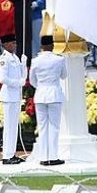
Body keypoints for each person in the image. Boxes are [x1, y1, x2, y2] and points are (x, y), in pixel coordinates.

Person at [30, 35, 67, 166]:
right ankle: (53, 156)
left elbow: (32, 80)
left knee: (43, 127)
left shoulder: (35, 61)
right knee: (54, 127)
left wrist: (41, 86)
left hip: (40, 94)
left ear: (41, 46)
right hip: (54, 94)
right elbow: (64, 76)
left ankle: (44, 157)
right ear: (52, 46)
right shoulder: (59, 60)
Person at [0, 34, 27, 164]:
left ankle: (12, 153)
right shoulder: (4, 59)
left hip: (15, 96)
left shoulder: (14, 57)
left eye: (15, 43)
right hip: (9, 96)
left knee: (14, 126)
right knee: (9, 126)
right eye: (12, 43)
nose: (14, 45)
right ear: (5, 45)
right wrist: (17, 83)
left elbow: (22, 77)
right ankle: (6, 156)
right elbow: (3, 79)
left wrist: (24, 65)